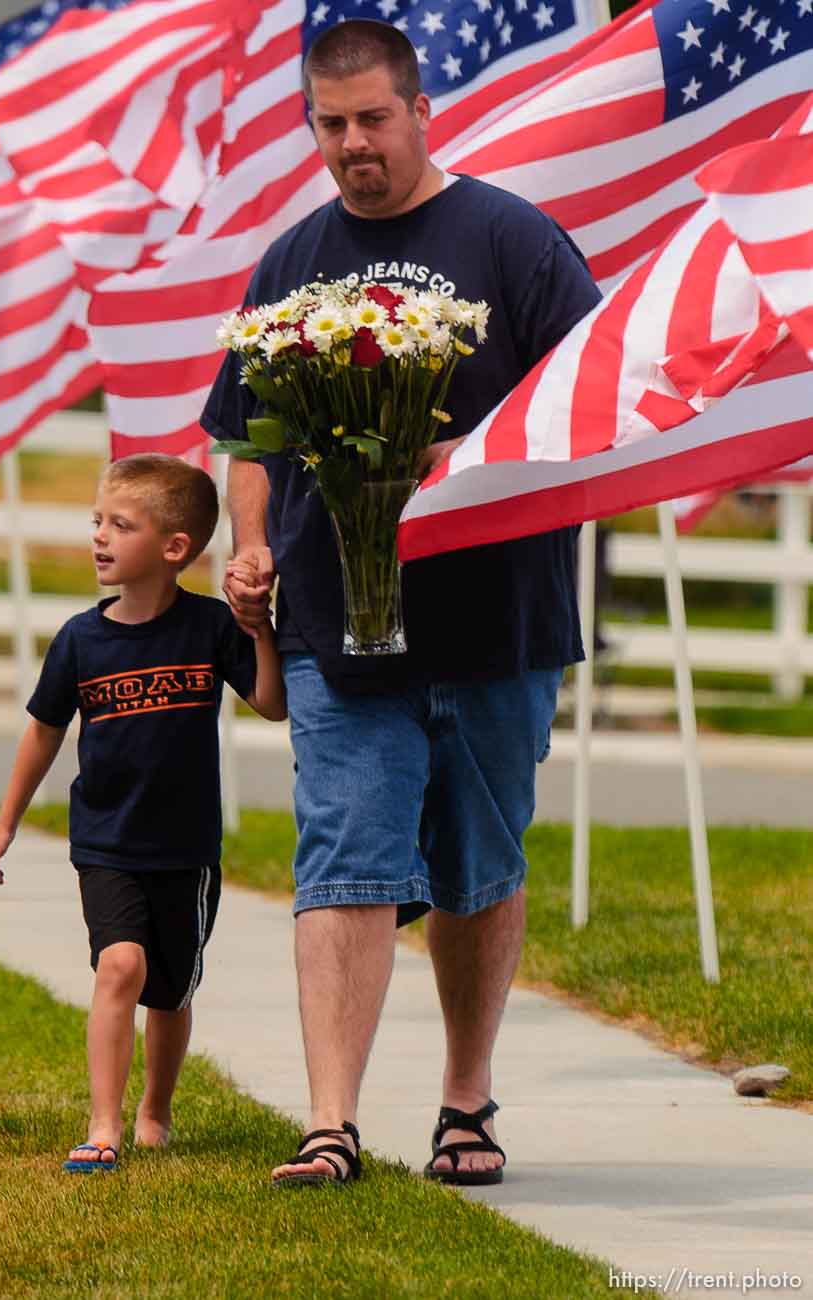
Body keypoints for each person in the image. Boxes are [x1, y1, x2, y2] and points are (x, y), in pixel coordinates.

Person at [201, 19, 602, 1188]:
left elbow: (587, 403)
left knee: (479, 861)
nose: (353, 145)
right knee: (344, 854)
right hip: (337, 620)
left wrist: (460, 459)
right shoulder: (293, 262)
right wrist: (254, 546)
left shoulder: (511, 239)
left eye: (373, 118)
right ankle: (331, 1123)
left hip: (494, 617)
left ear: (421, 109)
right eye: (330, 124)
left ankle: (465, 1101)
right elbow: (246, 436)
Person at [0, 454, 286, 1173]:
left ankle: (156, 1111)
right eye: (97, 522)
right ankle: (103, 1124)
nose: (100, 538)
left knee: (169, 992)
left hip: (186, 851)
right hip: (106, 842)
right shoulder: (82, 640)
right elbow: (45, 730)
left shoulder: (210, 628)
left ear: (175, 547)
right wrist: (6, 822)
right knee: (120, 965)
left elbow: (272, 704)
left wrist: (259, 629)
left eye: (121, 525)